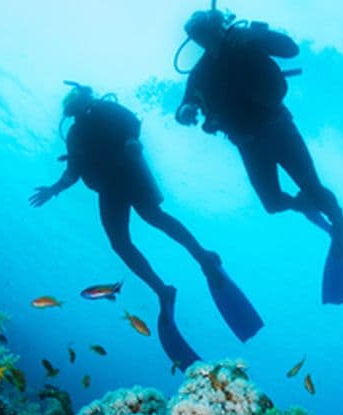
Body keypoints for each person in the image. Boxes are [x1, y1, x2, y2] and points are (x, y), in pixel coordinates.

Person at [30, 83, 262, 370]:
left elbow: (133, 124)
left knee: (154, 218)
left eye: (76, 101)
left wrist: (130, 141)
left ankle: (201, 259)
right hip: (109, 188)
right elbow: (73, 172)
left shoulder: (105, 108)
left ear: (83, 99)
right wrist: (54, 189)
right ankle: (165, 288)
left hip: (128, 172)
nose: (74, 107)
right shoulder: (76, 134)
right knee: (124, 240)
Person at [175, 10, 343, 303]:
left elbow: (290, 49)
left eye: (205, 33)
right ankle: (305, 204)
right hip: (249, 145)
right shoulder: (200, 73)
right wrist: (184, 112)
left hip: (280, 129)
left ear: (217, 27)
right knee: (272, 204)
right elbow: (186, 103)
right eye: (198, 37)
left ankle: (339, 225)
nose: (204, 40)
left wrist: (259, 34)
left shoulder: (246, 41)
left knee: (313, 186)